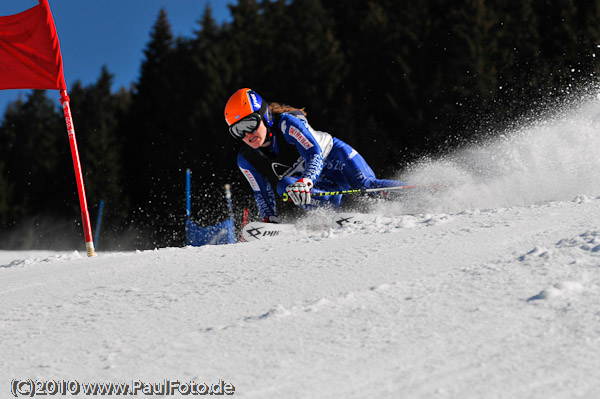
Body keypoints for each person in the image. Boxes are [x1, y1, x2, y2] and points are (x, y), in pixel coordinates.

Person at [224, 88, 405, 223]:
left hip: (334, 157)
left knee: (366, 186)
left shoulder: (287, 125)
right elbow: (261, 192)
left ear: (265, 117)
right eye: (238, 130)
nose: (247, 134)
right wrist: (269, 220)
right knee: (284, 186)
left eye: (250, 124)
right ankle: (341, 210)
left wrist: (307, 180)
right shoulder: (246, 159)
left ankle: (417, 195)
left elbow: (314, 152)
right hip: (318, 183)